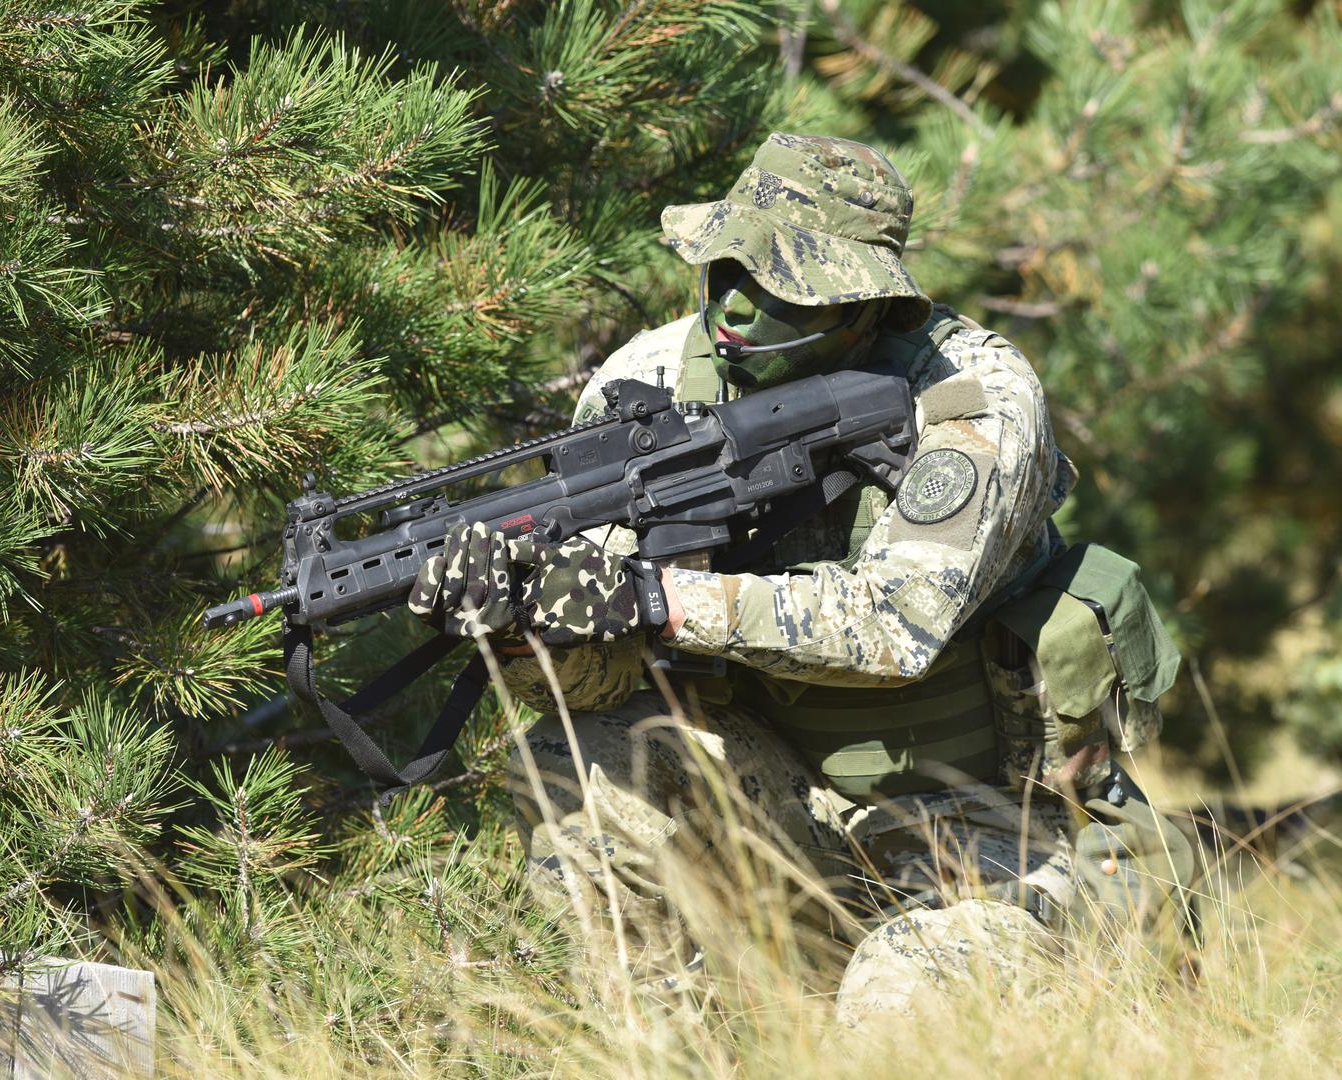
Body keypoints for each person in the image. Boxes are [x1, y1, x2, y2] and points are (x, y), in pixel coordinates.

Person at [407, 134, 1196, 1024]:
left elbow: (896, 625)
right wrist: (524, 627)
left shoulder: (971, 396)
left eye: (782, 283)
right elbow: (606, 681)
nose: (737, 303)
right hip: (785, 809)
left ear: (865, 302)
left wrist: (654, 595)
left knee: (898, 1003)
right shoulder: (645, 382)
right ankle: (667, 1044)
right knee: (572, 757)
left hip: (991, 834)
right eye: (725, 268)